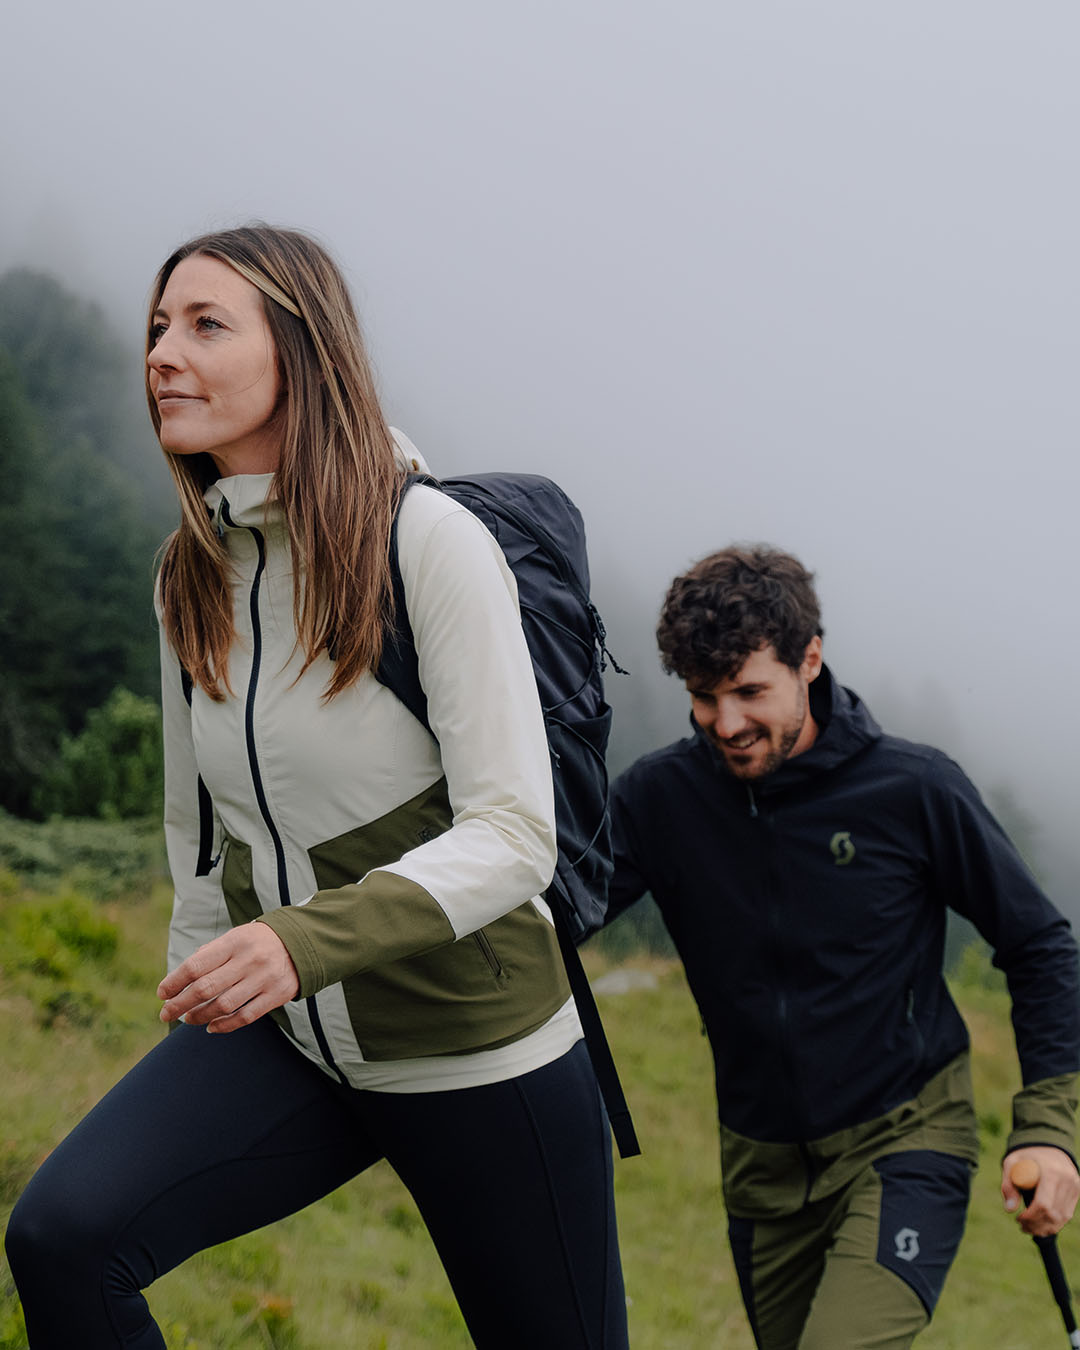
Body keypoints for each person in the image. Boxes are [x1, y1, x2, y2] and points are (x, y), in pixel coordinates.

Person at [5, 225, 627, 1350]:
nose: (160, 354)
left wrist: (303, 942)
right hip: (293, 1039)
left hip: (477, 1049)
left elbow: (515, 832)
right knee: (63, 1238)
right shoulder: (188, 570)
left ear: (301, 350)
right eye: (156, 327)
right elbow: (198, 822)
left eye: (204, 325)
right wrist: (197, 981)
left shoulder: (425, 540)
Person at [606, 544, 1080, 1350]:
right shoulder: (660, 799)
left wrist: (1048, 1128)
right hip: (761, 1168)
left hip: (906, 1137)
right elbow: (546, 917)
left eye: (750, 692)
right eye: (702, 697)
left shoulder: (912, 789)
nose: (727, 724)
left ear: (810, 660)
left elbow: (1041, 947)